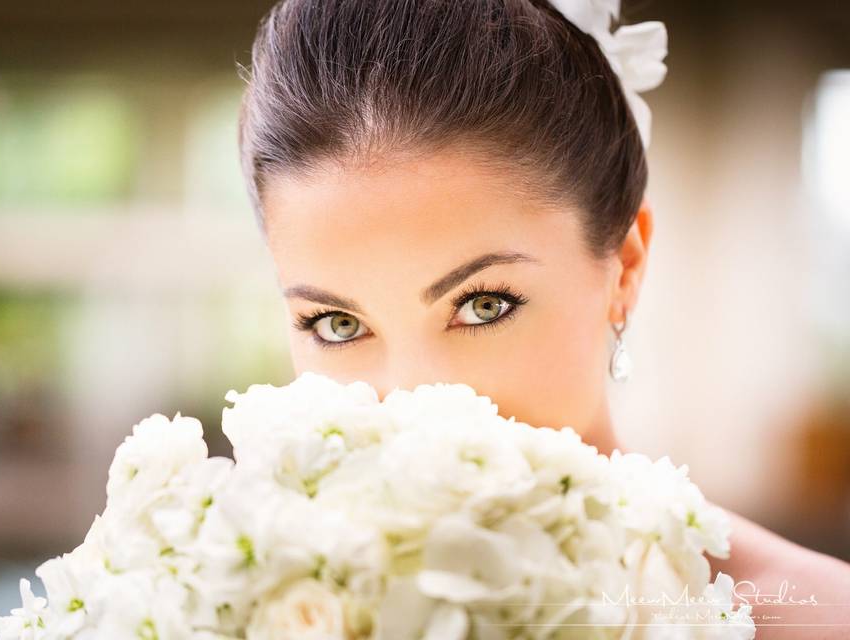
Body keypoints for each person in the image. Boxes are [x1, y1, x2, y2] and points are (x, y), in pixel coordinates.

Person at [235, 0, 850, 636]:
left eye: (482, 305)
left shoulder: (817, 619)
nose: (415, 405)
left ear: (626, 266)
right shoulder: (236, 604)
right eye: (337, 324)